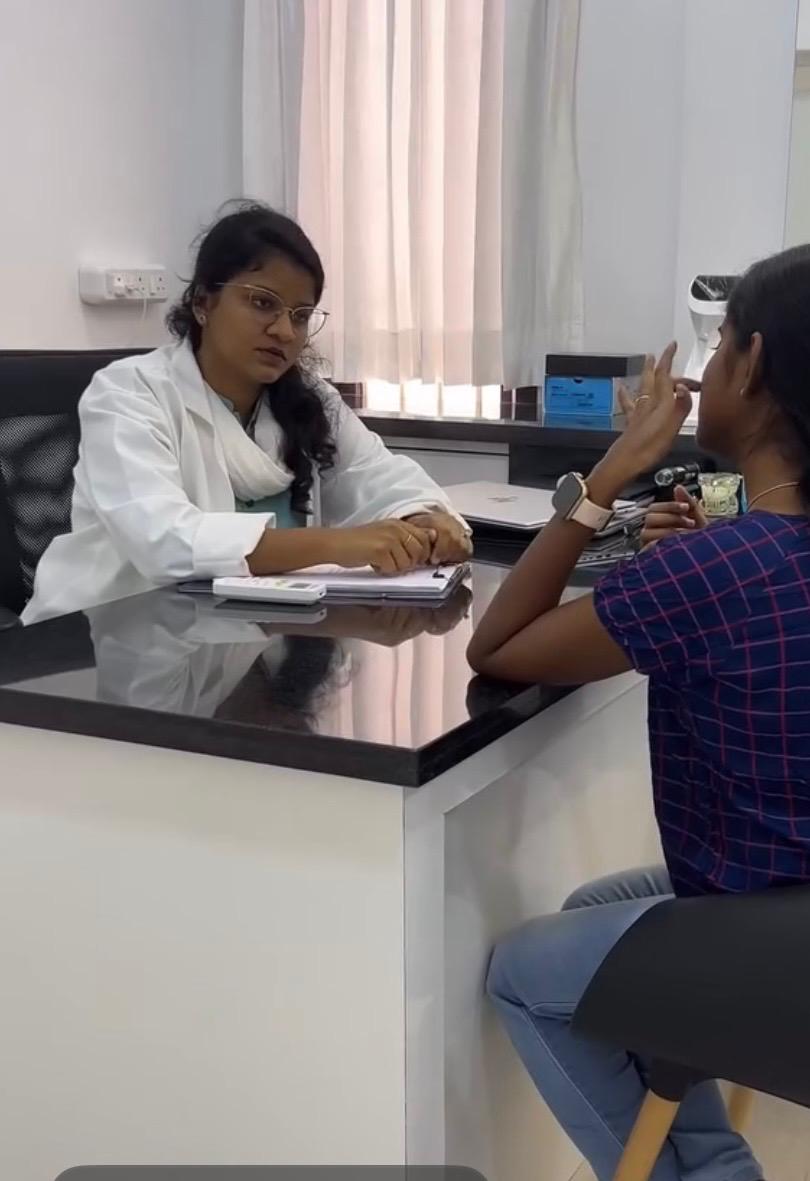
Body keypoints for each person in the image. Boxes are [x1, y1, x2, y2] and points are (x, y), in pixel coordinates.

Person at [468, 244, 810, 1181]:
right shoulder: (734, 557)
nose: (702, 374)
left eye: (724, 346)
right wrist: (677, 556)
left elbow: (496, 646)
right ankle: (706, 1154)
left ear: (756, 370)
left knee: (525, 975)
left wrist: (613, 470)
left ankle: (700, 1172)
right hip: (785, 895)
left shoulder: (717, 570)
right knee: (592, 910)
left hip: (773, 937)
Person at [22, 202, 471, 625]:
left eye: (300, 315)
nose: (283, 330)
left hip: (249, 630)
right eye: (262, 303)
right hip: (106, 637)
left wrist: (422, 519)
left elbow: (377, 474)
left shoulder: (309, 398)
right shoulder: (129, 392)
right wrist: (339, 543)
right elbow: (163, 540)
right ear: (203, 303)